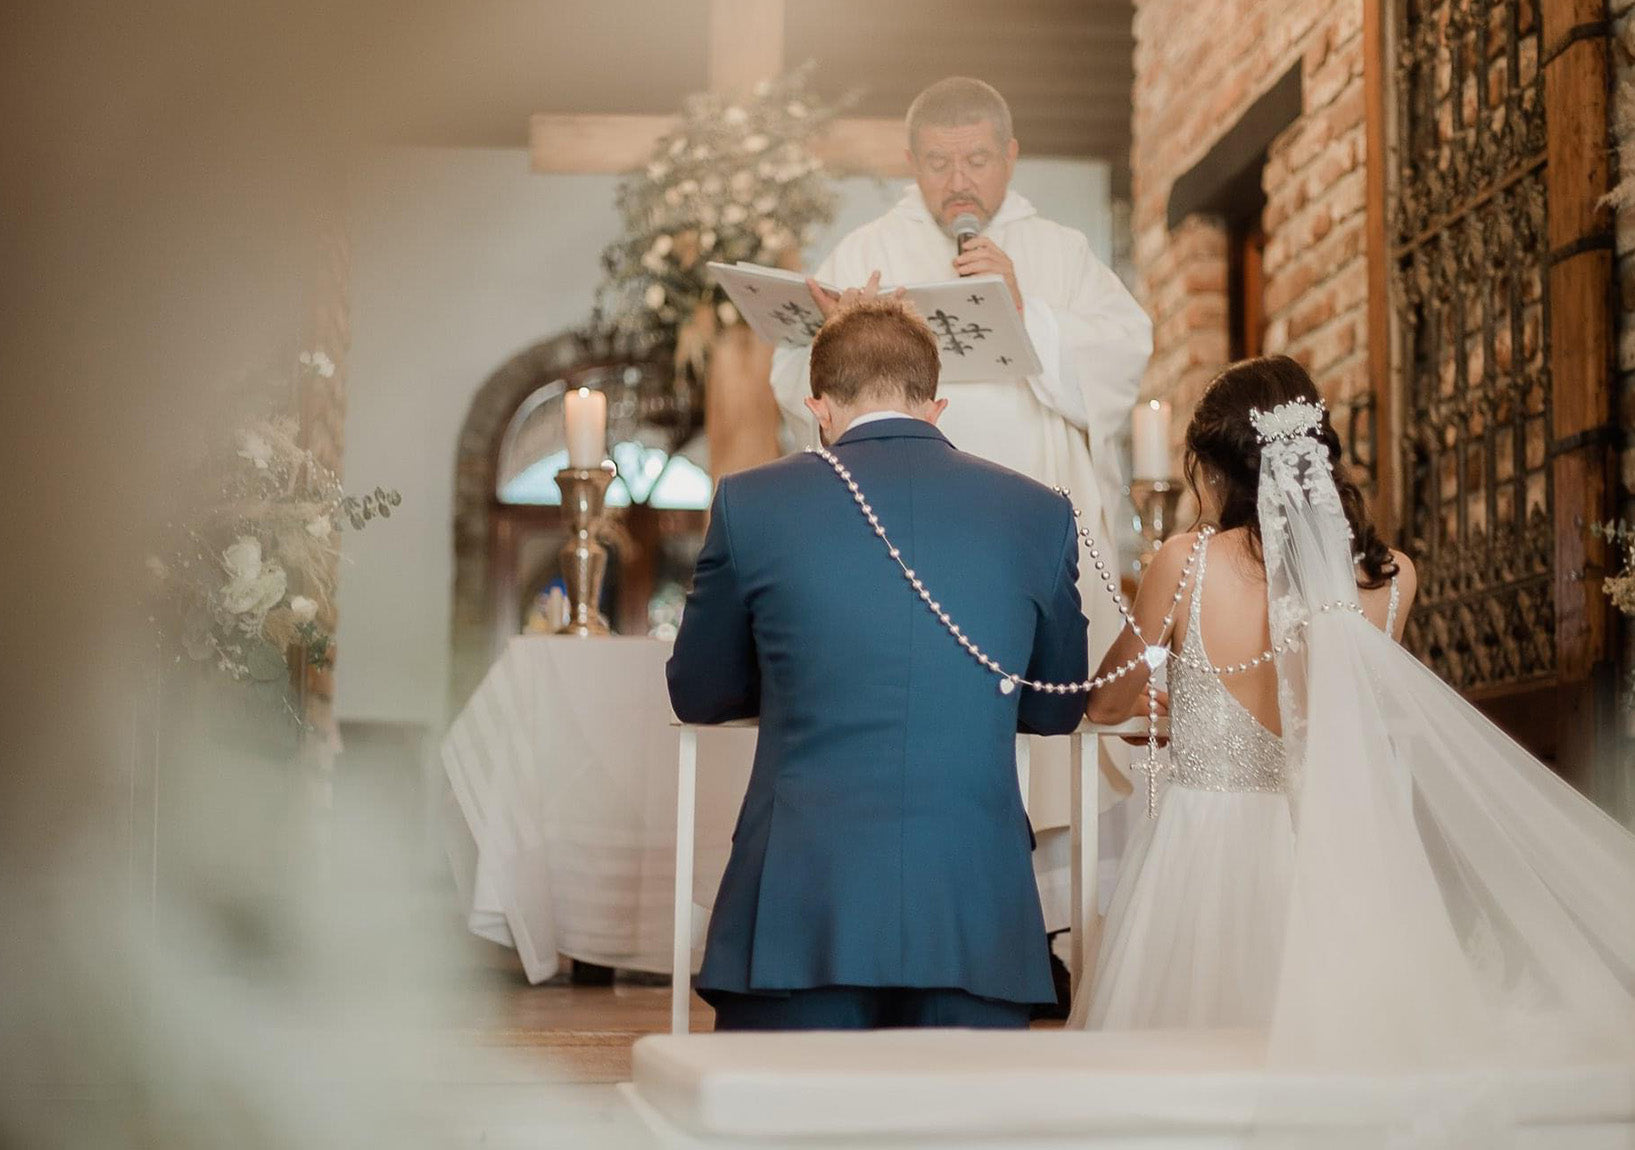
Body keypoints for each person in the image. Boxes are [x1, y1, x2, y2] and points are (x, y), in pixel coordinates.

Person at [1067, 355, 1635, 1138]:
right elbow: (1332, 699)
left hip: (1203, 851)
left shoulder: (1184, 560)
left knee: (1180, 1092)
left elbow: (1105, 703)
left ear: (1220, 466)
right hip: (1328, 856)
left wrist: (1182, 690)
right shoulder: (1394, 576)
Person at [770, 74, 1152, 954]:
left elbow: (1122, 360)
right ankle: (902, 924)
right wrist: (839, 333)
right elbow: (799, 392)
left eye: (977, 158)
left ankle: (1046, 939)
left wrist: (1031, 313)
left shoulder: (1054, 251)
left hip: (1026, 540)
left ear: (1010, 156)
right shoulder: (866, 247)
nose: (959, 182)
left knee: (1038, 731)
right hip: (897, 537)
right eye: (939, 163)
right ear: (911, 164)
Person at [668, 287, 1089, 1030]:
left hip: (796, 904)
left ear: (818, 407)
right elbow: (1055, 704)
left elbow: (699, 692)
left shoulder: (751, 502)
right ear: (935, 406)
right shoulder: (1037, 511)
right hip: (973, 908)